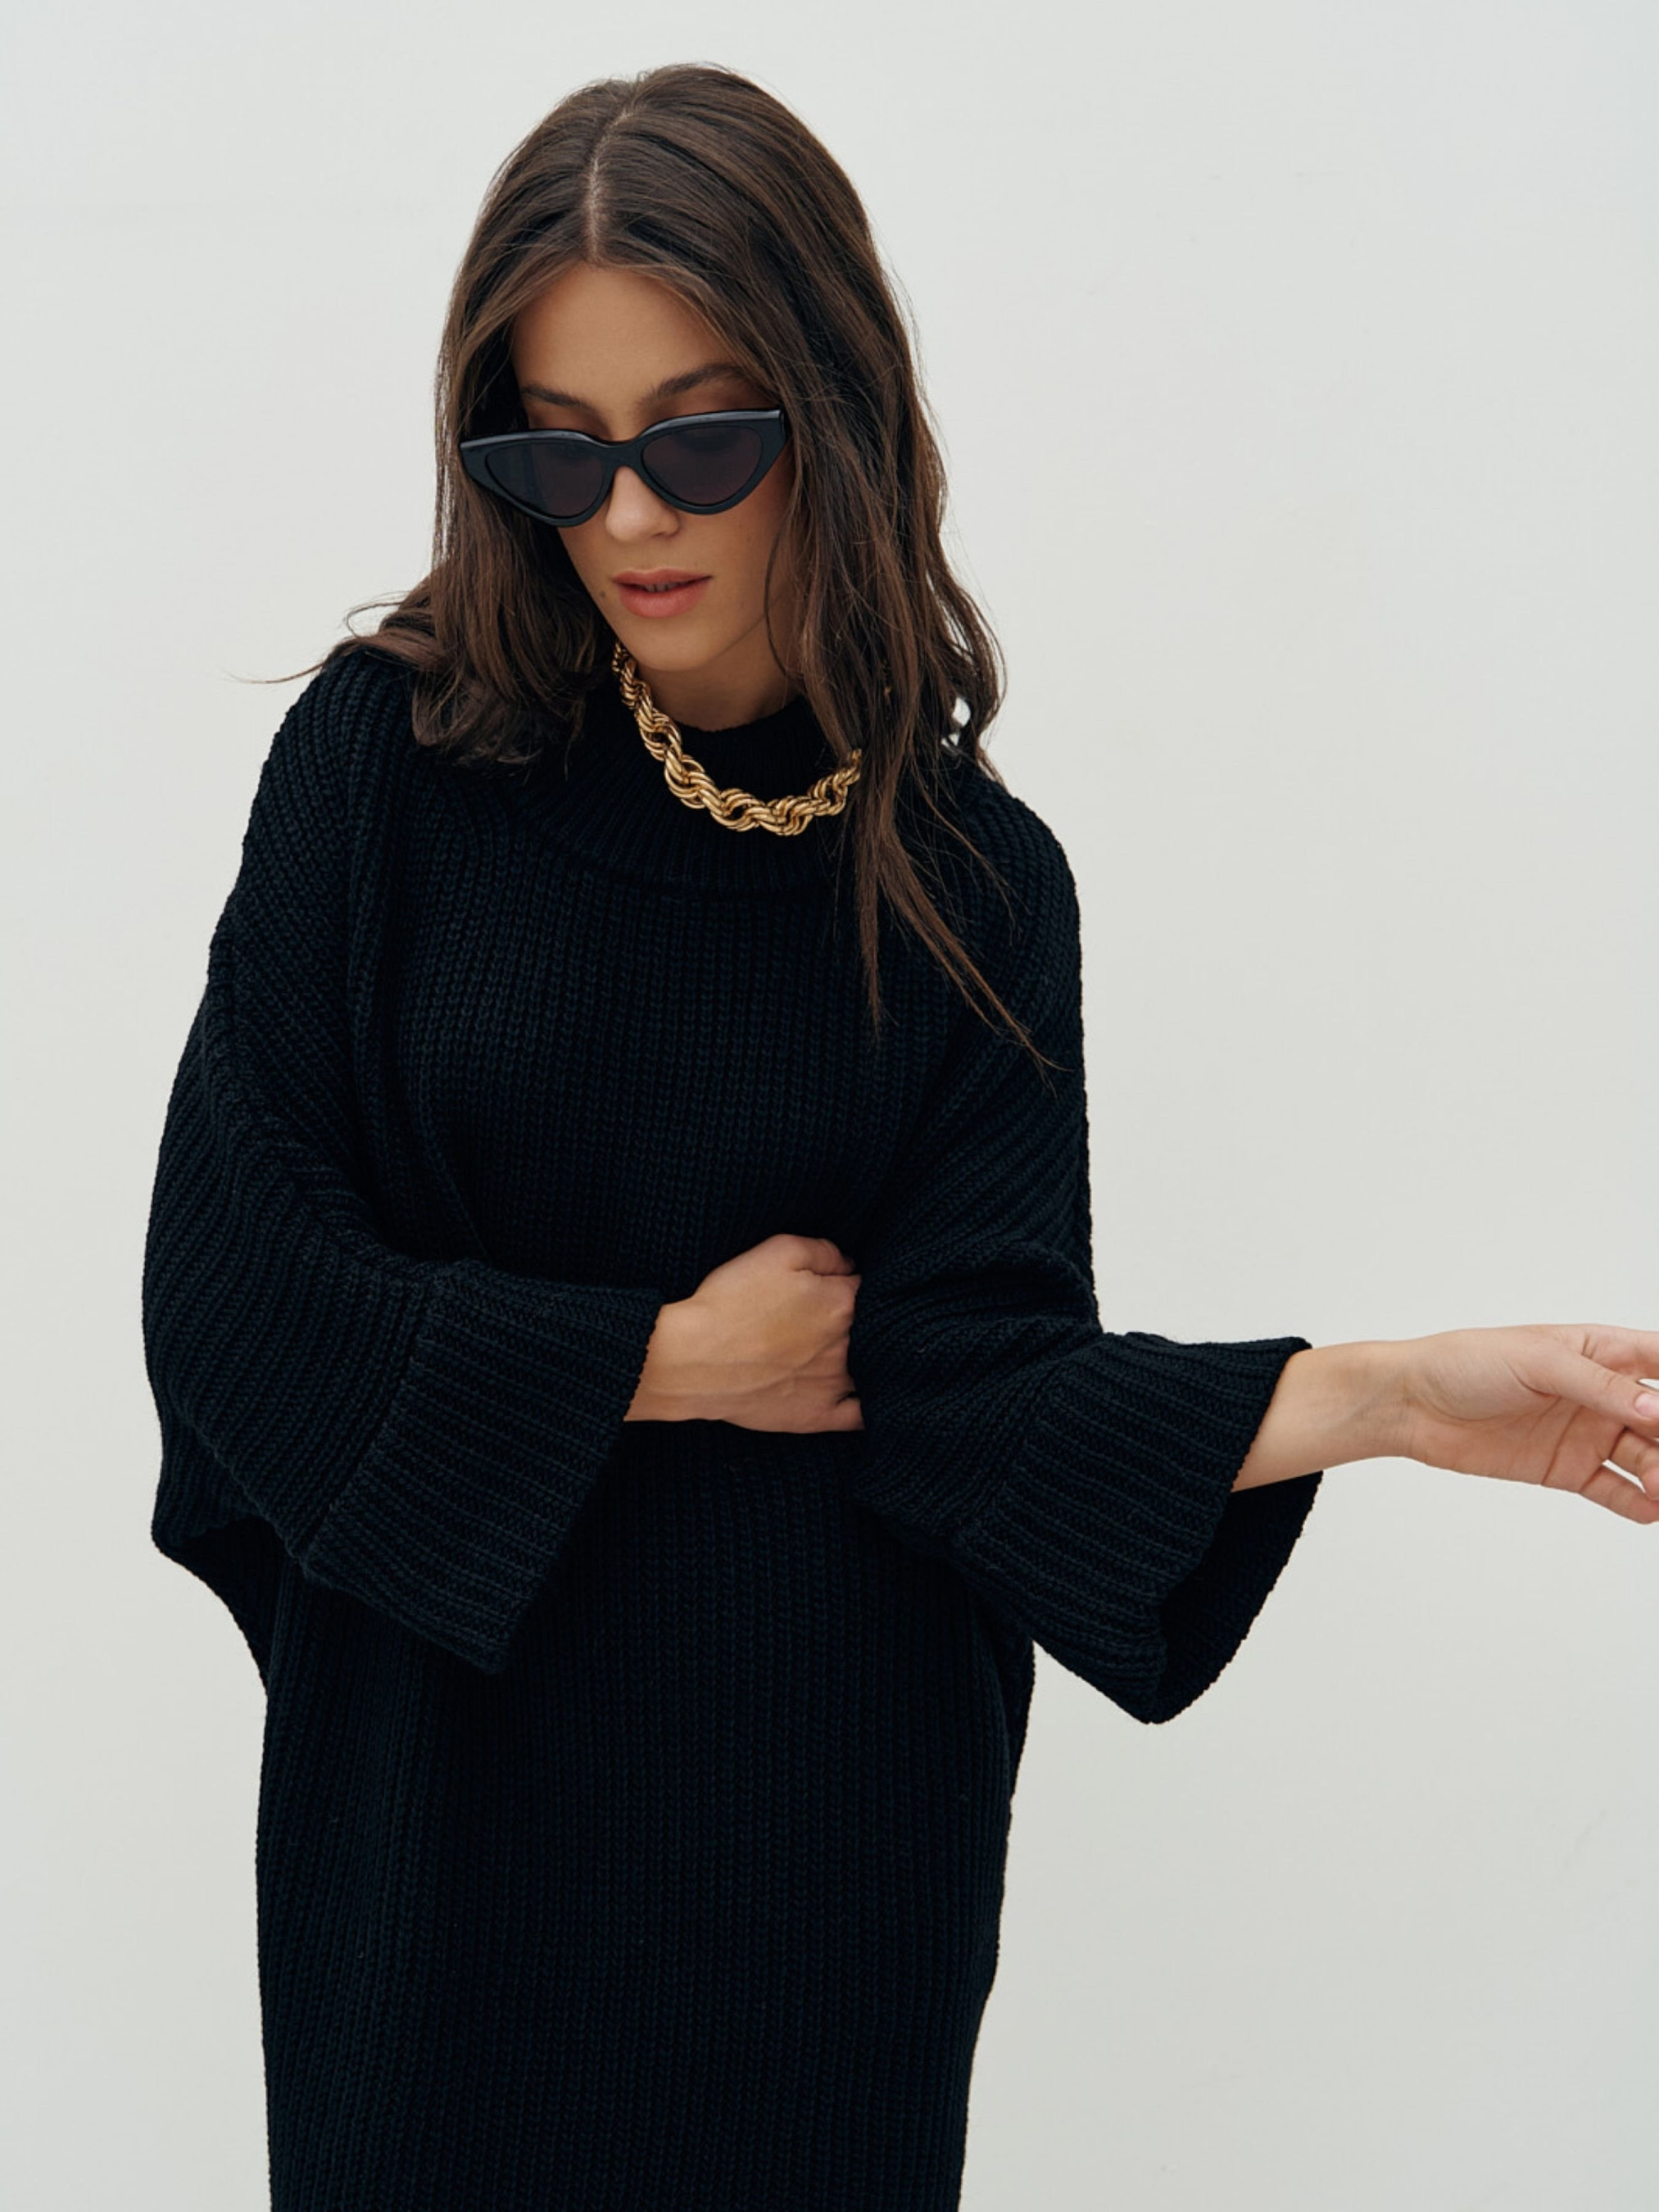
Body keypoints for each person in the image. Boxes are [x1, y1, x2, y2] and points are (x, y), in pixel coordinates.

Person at [140, 60, 1659, 2212]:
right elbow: (233, 1292)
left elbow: (974, 1394)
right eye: (554, 451)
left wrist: (1393, 1398)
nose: (630, 520)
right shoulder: (395, 764)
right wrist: (663, 1363)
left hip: (818, 1851)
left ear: (831, 416)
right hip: (444, 1831)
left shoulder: (965, 883)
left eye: (701, 440)